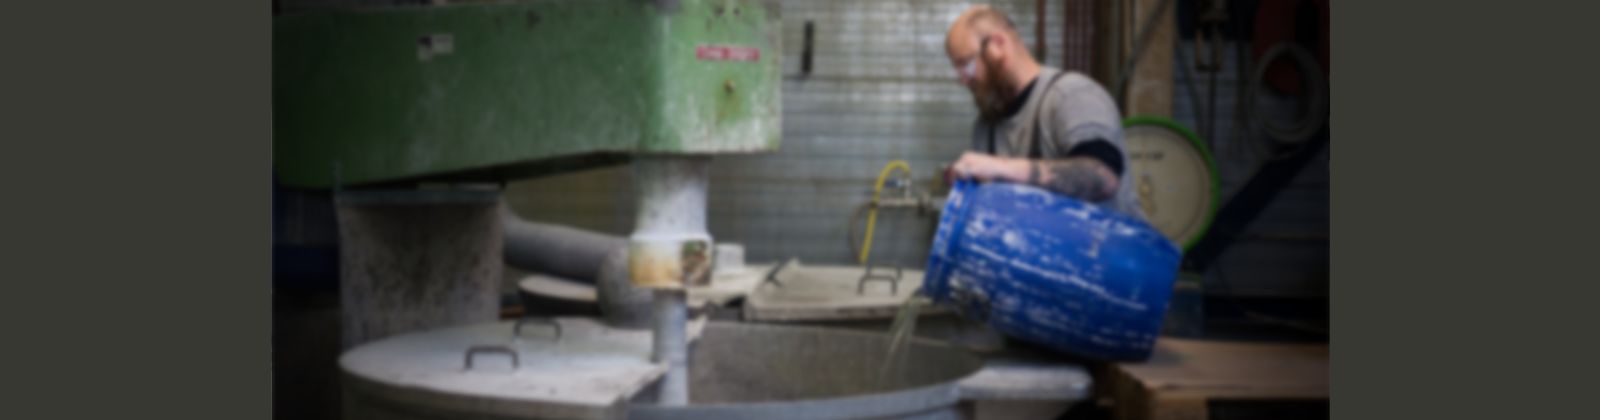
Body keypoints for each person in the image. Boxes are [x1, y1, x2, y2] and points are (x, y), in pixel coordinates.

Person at [944, 5, 1143, 220]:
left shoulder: (1071, 95)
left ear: (998, 44)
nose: (963, 79)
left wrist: (999, 167)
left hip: (1111, 240)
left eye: (966, 64)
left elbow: (1104, 178)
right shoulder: (987, 126)